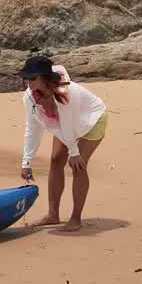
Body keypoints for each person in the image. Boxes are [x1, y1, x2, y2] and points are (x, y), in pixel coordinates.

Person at [19, 55, 108, 232]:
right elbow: (32, 129)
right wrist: (26, 162)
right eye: (26, 78)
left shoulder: (67, 92)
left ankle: (76, 218)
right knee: (55, 160)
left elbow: (69, 122)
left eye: (33, 78)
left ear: (45, 77)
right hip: (65, 127)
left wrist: (74, 153)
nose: (28, 82)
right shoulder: (29, 97)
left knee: (77, 166)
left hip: (91, 120)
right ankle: (53, 214)